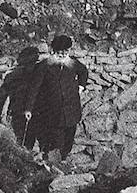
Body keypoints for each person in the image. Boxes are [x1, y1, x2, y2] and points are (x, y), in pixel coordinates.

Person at [21, 34, 89, 162]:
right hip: (54, 111)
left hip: (72, 109)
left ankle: (63, 159)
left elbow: (84, 72)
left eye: (66, 52)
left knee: (69, 137)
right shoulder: (44, 66)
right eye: (60, 52)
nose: (63, 55)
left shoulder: (73, 63)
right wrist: (28, 108)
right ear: (53, 51)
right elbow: (34, 88)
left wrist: (80, 87)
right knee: (56, 141)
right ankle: (55, 164)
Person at [0, 45, 42, 142]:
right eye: (28, 64)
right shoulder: (13, 77)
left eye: (31, 64)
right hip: (21, 115)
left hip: (40, 115)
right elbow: (0, 101)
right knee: (25, 143)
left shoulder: (41, 75)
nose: (29, 67)